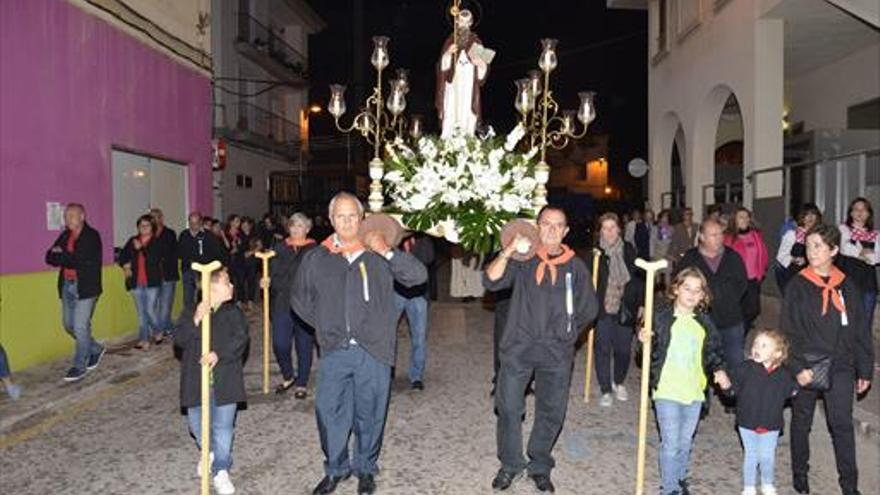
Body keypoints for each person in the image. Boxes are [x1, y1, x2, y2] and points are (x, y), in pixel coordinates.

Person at [292, 192, 427, 495]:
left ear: (362, 218)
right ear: (330, 220)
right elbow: (300, 299)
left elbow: (417, 277)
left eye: (353, 215)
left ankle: (365, 468)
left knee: (371, 412)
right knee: (329, 412)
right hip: (334, 349)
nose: (347, 222)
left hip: (373, 349)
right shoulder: (318, 257)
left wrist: (387, 251)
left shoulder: (376, 252)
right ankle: (336, 468)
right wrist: (326, 326)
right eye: (340, 216)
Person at [484, 206, 599, 493]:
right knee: (508, 406)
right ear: (537, 227)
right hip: (518, 347)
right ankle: (510, 463)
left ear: (566, 231)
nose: (551, 230)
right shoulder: (523, 259)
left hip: (556, 353)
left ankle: (540, 464)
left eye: (557, 225)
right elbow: (491, 280)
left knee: (551, 411)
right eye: (545, 224)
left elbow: (589, 308)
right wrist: (508, 250)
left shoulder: (576, 267)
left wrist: (568, 335)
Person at [781, 223, 873, 495]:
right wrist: (797, 367)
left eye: (818, 246)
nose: (811, 252)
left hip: (841, 365)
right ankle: (800, 473)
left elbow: (860, 329)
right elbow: (788, 331)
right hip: (807, 364)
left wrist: (864, 368)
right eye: (809, 246)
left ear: (833, 249)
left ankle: (849, 485)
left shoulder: (847, 285)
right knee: (802, 419)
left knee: (842, 424)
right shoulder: (798, 285)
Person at [642, 267, 730, 495]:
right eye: (687, 288)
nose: (691, 294)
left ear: (703, 295)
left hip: (694, 393)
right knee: (670, 444)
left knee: (684, 442)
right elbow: (648, 351)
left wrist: (719, 370)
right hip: (667, 391)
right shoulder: (661, 317)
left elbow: (713, 352)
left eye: (697, 290)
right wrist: (644, 340)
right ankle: (669, 488)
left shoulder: (704, 323)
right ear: (676, 289)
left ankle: (679, 479)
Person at [174, 267, 249, 495]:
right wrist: (197, 318)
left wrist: (220, 354)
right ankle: (208, 452)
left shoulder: (233, 312)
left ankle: (221, 470)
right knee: (197, 426)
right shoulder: (190, 312)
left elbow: (241, 339)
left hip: (225, 380)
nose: (232, 287)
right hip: (196, 382)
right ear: (213, 287)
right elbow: (180, 340)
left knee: (223, 427)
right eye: (228, 282)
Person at [676, 218, 748, 375]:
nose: (719, 238)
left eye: (721, 234)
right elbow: (678, 283)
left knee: (735, 363)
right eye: (713, 235)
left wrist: (727, 300)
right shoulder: (690, 258)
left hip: (730, 321)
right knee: (699, 366)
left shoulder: (733, 257)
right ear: (701, 237)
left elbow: (742, 283)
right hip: (700, 321)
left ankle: (733, 396)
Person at [729, 329, 796, 495]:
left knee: (767, 456)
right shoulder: (745, 369)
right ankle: (749, 486)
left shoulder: (783, 374)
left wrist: (797, 387)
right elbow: (732, 389)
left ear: (777, 353)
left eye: (764, 345)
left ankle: (767, 483)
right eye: (756, 344)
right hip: (747, 421)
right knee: (751, 455)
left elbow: (791, 390)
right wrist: (726, 385)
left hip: (770, 422)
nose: (757, 348)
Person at [45, 203, 105, 382]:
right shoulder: (65, 235)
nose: (67, 219)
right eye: (66, 216)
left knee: (80, 326)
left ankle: (79, 365)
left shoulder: (91, 236)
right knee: (69, 325)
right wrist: (63, 256)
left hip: (86, 287)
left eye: (71, 215)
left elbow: (79, 260)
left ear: (82, 216)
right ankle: (95, 348)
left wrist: (62, 255)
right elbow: (49, 256)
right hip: (67, 286)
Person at [592, 212, 643, 407]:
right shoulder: (596, 253)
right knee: (602, 349)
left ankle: (619, 382)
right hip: (603, 308)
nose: (609, 232)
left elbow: (638, 279)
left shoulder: (629, 250)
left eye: (612, 227)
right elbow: (589, 282)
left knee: (623, 350)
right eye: (605, 228)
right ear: (601, 231)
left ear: (619, 229)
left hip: (625, 307)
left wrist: (641, 304)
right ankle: (605, 389)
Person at [265, 213, 317, 398]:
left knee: (304, 344)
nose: (296, 229)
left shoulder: (314, 249)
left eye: (300, 226)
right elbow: (271, 271)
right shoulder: (279, 248)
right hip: (283, 301)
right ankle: (288, 375)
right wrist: (266, 281)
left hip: (306, 303)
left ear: (307, 229)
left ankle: (301, 382)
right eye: (293, 225)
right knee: (280, 343)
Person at [436, 8, 490, 138]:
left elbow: (484, 69)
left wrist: (481, 64)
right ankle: (448, 137)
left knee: (467, 110)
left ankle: (467, 137)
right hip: (453, 82)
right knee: (451, 108)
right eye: (461, 21)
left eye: (467, 22)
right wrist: (448, 54)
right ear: (457, 22)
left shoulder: (476, 41)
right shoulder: (450, 40)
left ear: (471, 23)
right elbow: (441, 67)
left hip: (469, 83)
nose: (464, 25)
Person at [394, 233, 435, 390]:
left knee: (419, 337)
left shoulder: (424, 239)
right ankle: (388, 370)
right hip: (395, 292)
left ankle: (416, 376)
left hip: (418, 294)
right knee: (388, 336)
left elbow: (428, 258)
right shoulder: (393, 237)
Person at [118, 214, 163, 349]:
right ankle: (144, 339)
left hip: (152, 282)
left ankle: (157, 330)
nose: (143, 228)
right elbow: (122, 256)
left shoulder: (156, 242)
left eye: (147, 225)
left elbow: (153, 260)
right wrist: (125, 265)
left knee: (150, 310)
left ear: (152, 227)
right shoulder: (132, 240)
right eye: (141, 225)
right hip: (136, 281)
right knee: (141, 312)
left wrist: (141, 248)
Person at [724, 207, 769, 331]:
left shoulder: (755, 235)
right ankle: (740, 334)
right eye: (741, 217)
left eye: (746, 217)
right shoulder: (728, 238)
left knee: (754, 310)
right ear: (735, 220)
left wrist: (763, 270)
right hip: (736, 281)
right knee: (739, 309)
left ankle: (743, 327)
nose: (744, 220)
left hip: (754, 279)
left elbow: (763, 253)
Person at [838, 197, 878, 330]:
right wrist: (863, 253)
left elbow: (877, 258)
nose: (860, 213)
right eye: (856, 209)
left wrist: (865, 255)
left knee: (866, 320)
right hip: (848, 280)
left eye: (864, 210)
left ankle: (863, 349)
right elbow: (844, 248)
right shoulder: (844, 229)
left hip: (868, 281)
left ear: (869, 213)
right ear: (851, 213)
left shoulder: (876, 234)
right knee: (847, 320)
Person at [179, 211, 228, 309]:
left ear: (200, 222)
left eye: (196, 223)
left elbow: (217, 252)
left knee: (204, 295)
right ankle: (190, 317)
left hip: (205, 270)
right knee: (188, 296)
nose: (193, 226)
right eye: (191, 223)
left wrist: (221, 267)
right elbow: (181, 252)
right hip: (188, 269)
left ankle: (206, 316)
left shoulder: (208, 236)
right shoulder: (184, 235)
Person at [774, 203, 821, 292]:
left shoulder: (819, 235)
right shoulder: (792, 234)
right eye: (806, 214)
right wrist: (796, 259)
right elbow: (781, 256)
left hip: (811, 275)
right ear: (801, 217)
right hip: (791, 275)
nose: (810, 217)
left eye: (813, 214)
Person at [150, 208, 179, 338]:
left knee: (165, 305)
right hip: (154, 275)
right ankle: (169, 328)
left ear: (161, 218)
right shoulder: (148, 234)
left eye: (156, 217)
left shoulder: (170, 233)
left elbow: (173, 252)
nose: (154, 220)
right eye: (151, 217)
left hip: (168, 274)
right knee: (154, 306)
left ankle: (160, 332)